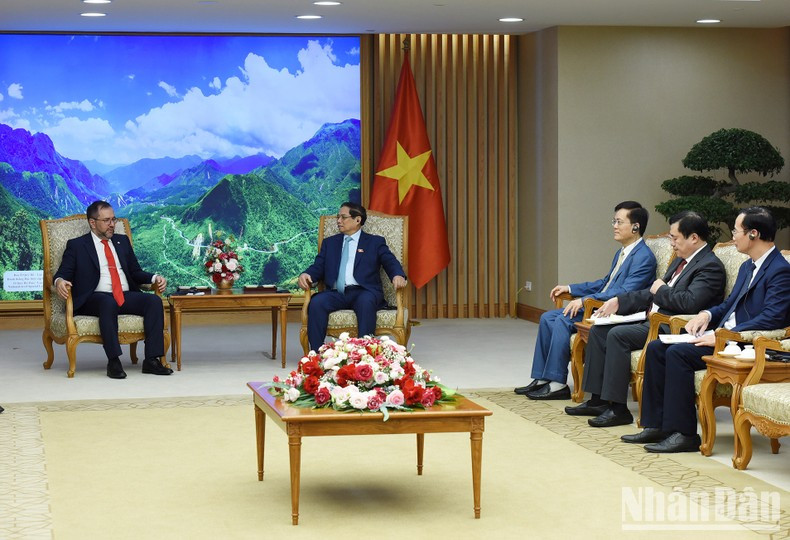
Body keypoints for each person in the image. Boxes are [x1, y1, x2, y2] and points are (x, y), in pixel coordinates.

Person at [623, 207, 790, 452]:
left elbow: (772, 318)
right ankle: (656, 426)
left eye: (737, 230)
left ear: (753, 234)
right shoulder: (747, 267)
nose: (733, 236)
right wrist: (707, 314)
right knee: (658, 347)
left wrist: (723, 335)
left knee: (677, 354)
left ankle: (684, 434)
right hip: (725, 337)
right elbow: (729, 305)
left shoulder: (780, 270)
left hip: (748, 344)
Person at [567, 211, 726, 427]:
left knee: (618, 335)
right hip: (651, 318)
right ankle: (598, 400)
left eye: (674, 237)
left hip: (670, 326)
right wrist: (620, 301)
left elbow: (690, 303)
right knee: (599, 330)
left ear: (694, 238)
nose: (671, 243)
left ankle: (618, 409)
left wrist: (661, 290)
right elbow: (650, 293)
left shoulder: (710, 266)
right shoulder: (682, 261)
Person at [515, 201, 657, 400]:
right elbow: (605, 283)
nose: (614, 226)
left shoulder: (643, 257)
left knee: (564, 319)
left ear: (635, 226)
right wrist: (571, 289)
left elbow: (625, 292)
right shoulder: (622, 252)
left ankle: (557, 384)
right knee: (548, 317)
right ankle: (542, 378)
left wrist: (584, 300)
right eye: (613, 221)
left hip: (615, 311)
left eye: (619, 222)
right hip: (600, 304)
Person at [53, 200, 171, 379]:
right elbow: (62, 274)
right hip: (93, 298)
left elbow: (135, 272)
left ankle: (151, 360)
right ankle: (114, 361)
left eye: (113, 219)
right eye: (106, 220)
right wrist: (60, 281)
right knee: (107, 302)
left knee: (153, 301)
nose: (112, 224)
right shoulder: (77, 246)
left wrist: (154, 278)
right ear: (92, 223)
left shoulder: (121, 241)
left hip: (123, 295)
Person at [299, 202, 407, 352]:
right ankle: (315, 355)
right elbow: (318, 266)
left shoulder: (375, 242)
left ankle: (364, 355)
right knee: (316, 302)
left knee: (365, 301)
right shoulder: (330, 243)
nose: (338, 221)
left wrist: (397, 275)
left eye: (343, 217)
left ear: (357, 220)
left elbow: (390, 261)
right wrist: (307, 274)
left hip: (364, 291)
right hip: (337, 292)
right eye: (338, 217)